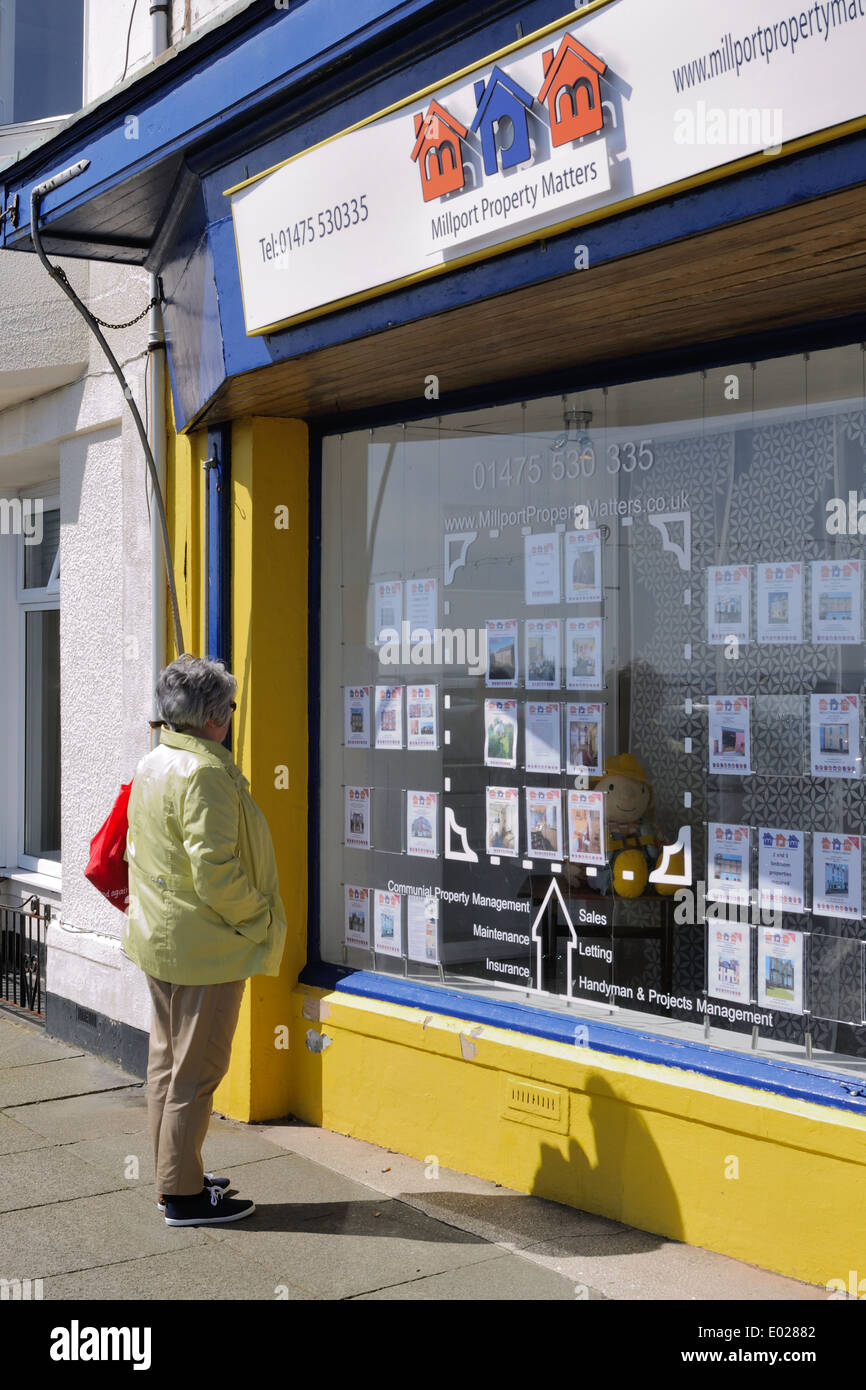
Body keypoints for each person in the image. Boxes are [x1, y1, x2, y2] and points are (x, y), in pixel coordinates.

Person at [122, 655, 287, 1226]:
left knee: (167, 1067)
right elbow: (215, 872)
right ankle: (185, 1199)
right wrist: (259, 919)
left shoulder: (156, 760)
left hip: (162, 939)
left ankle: (175, 1177)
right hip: (205, 948)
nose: (233, 719)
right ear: (215, 717)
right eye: (231, 709)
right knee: (196, 1073)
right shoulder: (207, 774)